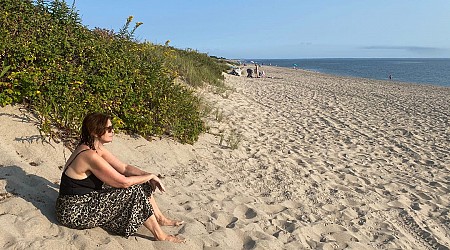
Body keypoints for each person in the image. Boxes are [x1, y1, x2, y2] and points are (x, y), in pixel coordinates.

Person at [55, 112, 184, 243]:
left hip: (85, 199)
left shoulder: (95, 147)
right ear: (95, 132)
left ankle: (160, 218)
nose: (113, 131)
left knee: (141, 182)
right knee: (134, 189)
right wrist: (149, 176)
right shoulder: (89, 155)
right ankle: (160, 235)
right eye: (109, 129)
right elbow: (123, 182)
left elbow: (124, 168)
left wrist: (148, 176)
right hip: (73, 212)